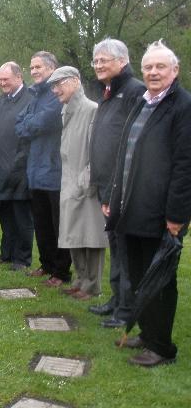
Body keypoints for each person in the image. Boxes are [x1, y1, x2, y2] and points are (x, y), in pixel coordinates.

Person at [106, 40, 191, 367]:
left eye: (160, 67)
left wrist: (176, 215)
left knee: (160, 279)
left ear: (175, 70)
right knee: (140, 274)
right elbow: (125, 156)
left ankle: (161, 347)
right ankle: (146, 331)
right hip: (133, 207)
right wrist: (115, 199)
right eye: (149, 67)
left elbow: (185, 164)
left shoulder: (182, 106)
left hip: (161, 213)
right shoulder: (143, 103)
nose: (153, 72)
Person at [87, 39, 145, 328]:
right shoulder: (108, 92)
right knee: (115, 244)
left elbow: (133, 145)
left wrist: (114, 188)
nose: (98, 65)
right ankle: (115, 299)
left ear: (122, 61)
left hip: (121, 187)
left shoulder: (135, 91)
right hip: (105, 185)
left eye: (104, 60)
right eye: (95, 60)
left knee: (124, 248)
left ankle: (126, 310)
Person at [49, 66, 107, 300]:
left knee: (90, 237)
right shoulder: (66, 111)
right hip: (69, 182)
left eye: (58, 84)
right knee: (73, 234)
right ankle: (80, 280)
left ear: (74, 81)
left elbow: (100, 151)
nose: (55, 90)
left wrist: (86, 181)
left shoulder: (92, 110)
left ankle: (92, 286)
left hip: (86, 185)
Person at [15, 51, 71, 286]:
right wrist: (31, 124)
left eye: (38, 67)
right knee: (42, 223)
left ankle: (61, 271)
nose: (34, 71)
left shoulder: (55, 95)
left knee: (59, 225)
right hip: (35, 170)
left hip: (54, 169)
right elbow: (20, 124)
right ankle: (46, 263)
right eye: (32, 67)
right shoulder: (35, 96)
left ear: (51, 68)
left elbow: (45, 121)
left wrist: (31, 124)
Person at [0, 62, 34, 270]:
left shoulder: (30, 99)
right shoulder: (2, 100)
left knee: (22, 216)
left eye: (6, 79)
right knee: (5, 214)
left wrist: (18, 163)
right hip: (1, 168)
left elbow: (29, 137)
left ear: (19, 77)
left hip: (21, 169)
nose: (2, 83)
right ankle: (6, 253)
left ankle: (22, 258)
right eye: (0, 80)